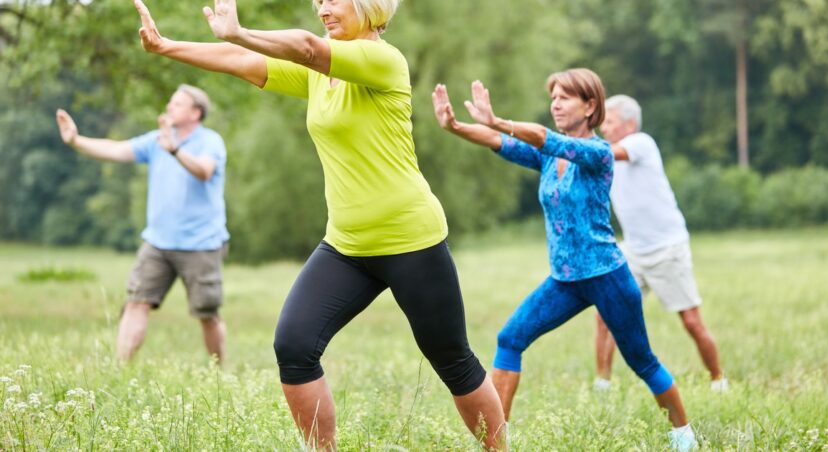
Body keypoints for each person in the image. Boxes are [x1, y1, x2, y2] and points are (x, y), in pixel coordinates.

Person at [132, 0, 506, 449]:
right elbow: (245, 62)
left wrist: (239, 30)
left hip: (410, 238)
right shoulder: (318, 73)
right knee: (293, 346)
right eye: (319, 1)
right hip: (346, 244)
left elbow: (307, 47)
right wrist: (168, 46)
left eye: (333, 0)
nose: (322, 8)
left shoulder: (383, 60)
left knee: (452, 359)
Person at [431, 72, 698, 451]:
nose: (555, 103)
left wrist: (499, 119)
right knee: (510, 339)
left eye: (566, 97)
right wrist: (456, 126)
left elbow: (541, 136)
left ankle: (683, 436)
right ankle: (496, 442)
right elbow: (500, 142)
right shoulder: (546, 158)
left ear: (590, 107)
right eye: (553, 96)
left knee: (642, 361)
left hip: (607, 275)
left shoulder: (599, 154)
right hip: (565, 280)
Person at [55, 84, 229, 363]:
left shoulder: (210, 142)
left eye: (178, 104)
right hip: (158, 243)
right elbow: (116, 150)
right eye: (170, 102)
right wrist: (76, 140)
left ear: (196, 113)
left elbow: (204, 171)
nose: (170, 107)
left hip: (201, 244)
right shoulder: (156, 141)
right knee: (136, 302)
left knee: (207, 314)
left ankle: (218, 373)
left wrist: (175, 150)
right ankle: (121, 368)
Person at [594, 94, 726, 392]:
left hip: (667, 248)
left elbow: (605, 153)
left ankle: (718, 380)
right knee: (605, 315)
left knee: (691, 321)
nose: (603, 128)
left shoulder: (641, 142)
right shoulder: (605, 154)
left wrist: (572, 144)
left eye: (609, 122)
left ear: (628, 123)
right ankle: (602, 384)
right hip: (633, 250)